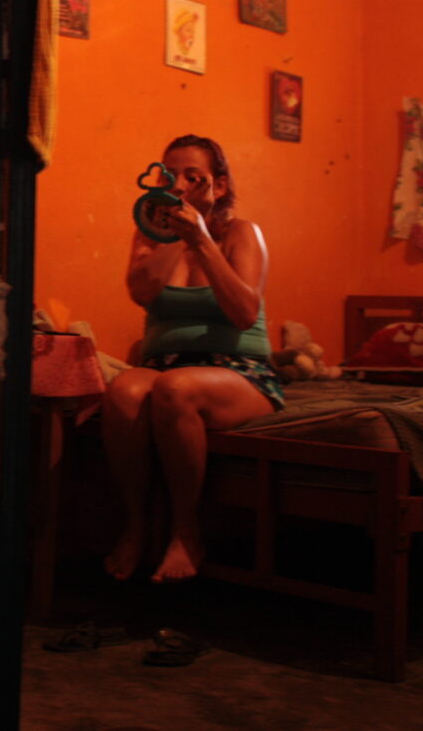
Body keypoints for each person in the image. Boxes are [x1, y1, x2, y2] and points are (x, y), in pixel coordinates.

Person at [103, 135, 282, 583]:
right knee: (123, 391)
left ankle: (186, 531)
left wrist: (200, 238)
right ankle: (136, 524)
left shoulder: (241, 233)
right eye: (169, 176)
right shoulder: (149, 232)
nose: (178, 186)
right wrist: (173, 235)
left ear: (218, 186)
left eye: (192, 177)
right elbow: (142, 293)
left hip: (238, 370)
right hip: (164, 363)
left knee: (175, 389)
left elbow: (244, 312)